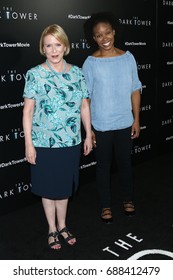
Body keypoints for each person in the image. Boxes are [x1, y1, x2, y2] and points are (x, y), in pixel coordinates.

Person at [22, 24, 92, 249]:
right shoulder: (35, 74)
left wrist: (89, 134)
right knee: (47, 188)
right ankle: (51, 228)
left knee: (63, 188)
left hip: (71, 142)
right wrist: (29, 145)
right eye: (48, 45)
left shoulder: (77, 72)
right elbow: (28, 112)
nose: (54, 50)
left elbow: (84, 107)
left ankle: (62, 225)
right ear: (43, 48)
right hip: (44, 143)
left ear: (65, 46)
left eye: (57, 44)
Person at [82, 12, 142, 224]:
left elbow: (135, 89)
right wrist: (90, 130)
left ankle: (128, 199)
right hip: (102, 125)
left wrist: (136, 119)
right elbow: (85, 99)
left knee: (125, 164)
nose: (104, 37)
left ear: (114, 32)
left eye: (107, 32)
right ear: (94, 38)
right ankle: (105, 205)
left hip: (125, 122)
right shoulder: (90, 63)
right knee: (103, 167)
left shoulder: (128, 57)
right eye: (99, 35)